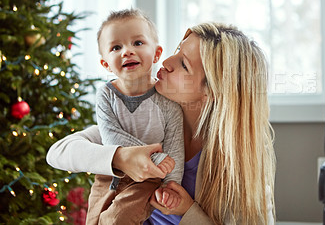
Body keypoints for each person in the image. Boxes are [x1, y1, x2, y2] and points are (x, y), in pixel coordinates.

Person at [47, 22, 276, 224]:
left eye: (184, 64)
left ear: (211, 91)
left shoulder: (236, 167)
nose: (166, 62)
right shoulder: (144, 120)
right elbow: (58, 152)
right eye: (177, 51)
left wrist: (187, 211)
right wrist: (120, 157)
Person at [84, 8, 185, 224]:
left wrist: (170, 186)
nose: (127, 51)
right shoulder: (106, 94)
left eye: (137, 43)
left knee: (117, 219)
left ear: (157, 53)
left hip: (146, 178)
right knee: (93, 219)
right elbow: (111, 137)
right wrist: (155, 156)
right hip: (109, 172)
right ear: (105, 64)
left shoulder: (167, 101)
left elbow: (175, 147)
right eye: (116, 47)